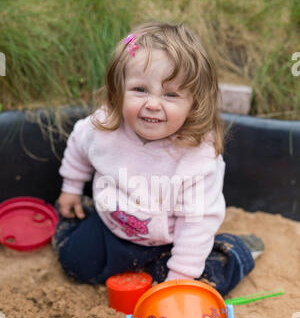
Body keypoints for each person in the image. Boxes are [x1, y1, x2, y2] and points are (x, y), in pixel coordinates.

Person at [52, 21, 264, 296]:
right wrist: (70, 187)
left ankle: (235, 251)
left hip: (167, 244)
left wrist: (179, 278)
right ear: (118, 90)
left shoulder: (196, 158)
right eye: (140, 89)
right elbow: (79, 146)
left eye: (170, 94)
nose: (153, 103)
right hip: (110, 226)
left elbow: (196, 222)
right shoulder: (104, 127)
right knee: (73, 262)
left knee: (204, 280)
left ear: (194, 104)